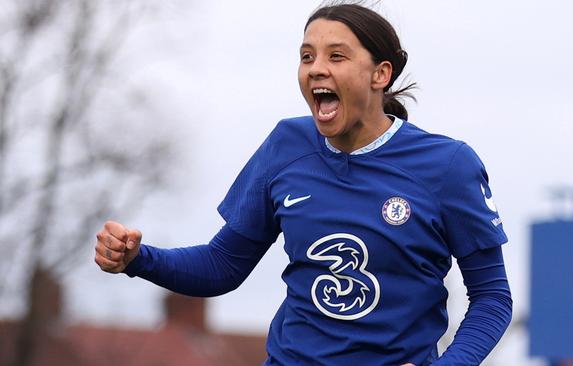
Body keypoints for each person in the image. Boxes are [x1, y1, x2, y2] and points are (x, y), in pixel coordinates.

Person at [95, 3, 512, 365]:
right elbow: (221, 265)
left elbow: (492, 298)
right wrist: (138, 259)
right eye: (307, 56)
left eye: (337, 56)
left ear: (380, 74)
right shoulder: (286, 146)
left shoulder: (448, 165)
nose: (316, 68)